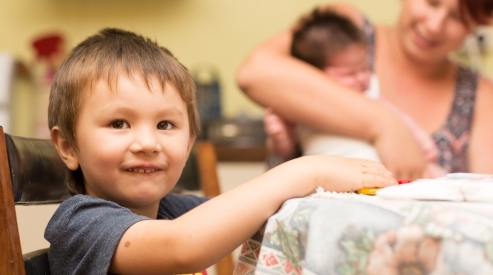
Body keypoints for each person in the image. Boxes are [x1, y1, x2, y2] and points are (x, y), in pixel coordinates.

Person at [44, 28, 396, 275]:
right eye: (119, 123)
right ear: (67, 146)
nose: (147, 143)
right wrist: (306, 170)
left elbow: (247, 212)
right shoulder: (80, 223)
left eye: (165, 125)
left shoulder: (168, 209)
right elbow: (182, 247)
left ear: (189, 142)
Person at [238, 0, 493, 180]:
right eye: (431, 0)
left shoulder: (481, 97)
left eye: (458, 17)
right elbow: (254, 73)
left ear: (477, 25)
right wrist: (384, 124)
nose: (435, 26)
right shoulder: (345, 35)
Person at [265, 8, 444, 176]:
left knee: (433, 174)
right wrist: (280, 138)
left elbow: (395, 116)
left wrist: (421, 140)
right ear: (314, 75)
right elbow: (286, 152)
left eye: (365, 68)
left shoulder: (367, 93)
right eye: (349, 73)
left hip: (380, 171)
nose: (362, 78)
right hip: (330, 179)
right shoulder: (303, 101)